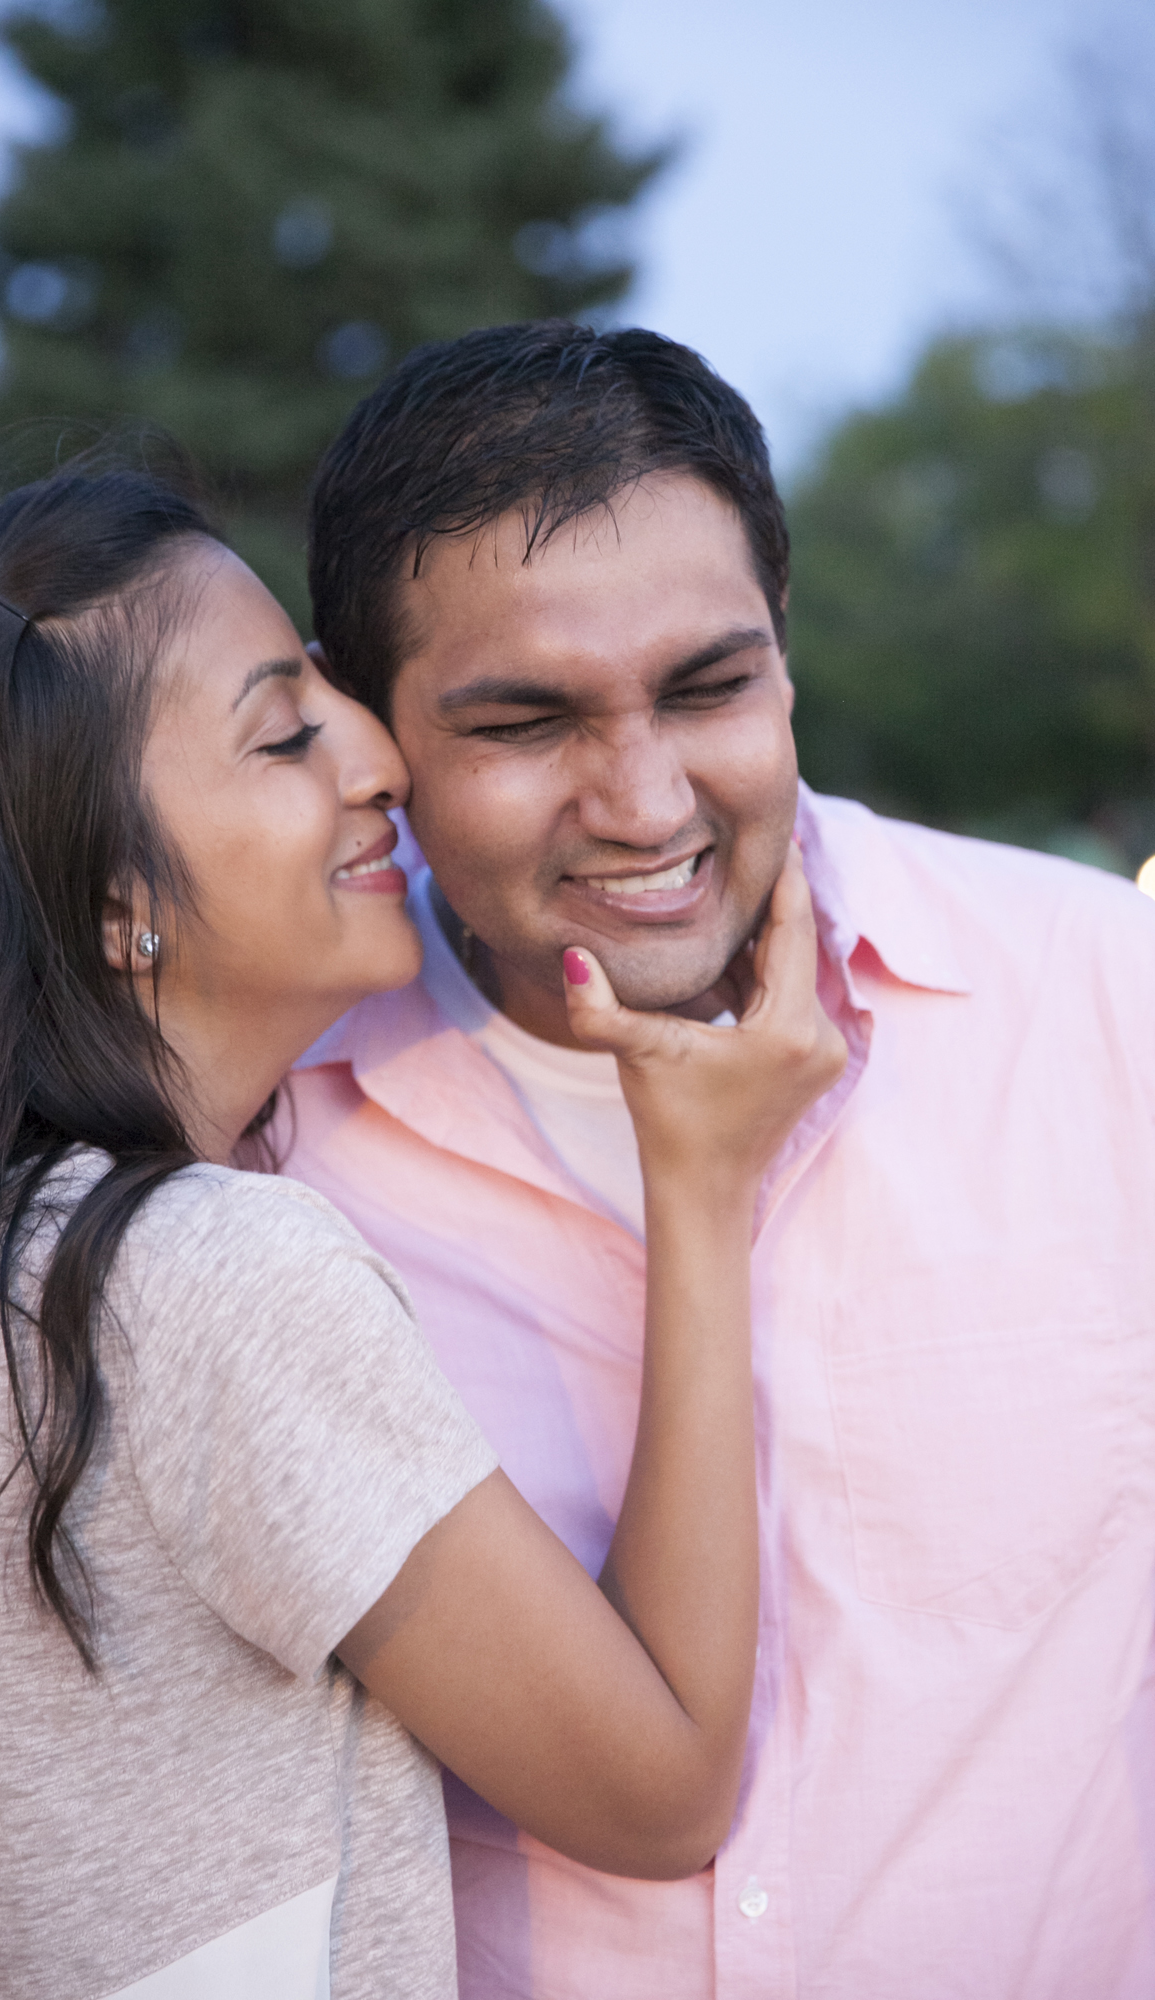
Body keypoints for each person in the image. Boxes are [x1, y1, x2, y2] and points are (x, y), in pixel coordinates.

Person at [0, 466, 843, 2000]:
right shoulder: (204, 1277)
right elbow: (658, 1791)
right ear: (113, 902)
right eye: (284, 732)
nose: (379, 758)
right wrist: (697, 1188)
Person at [253, 321, 1155, 1999]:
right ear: (365, 727)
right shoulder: (262, 1138)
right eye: (526, 720)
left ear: (784, 651)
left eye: (707, 686)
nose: (645, 799)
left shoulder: (1107, 1004)